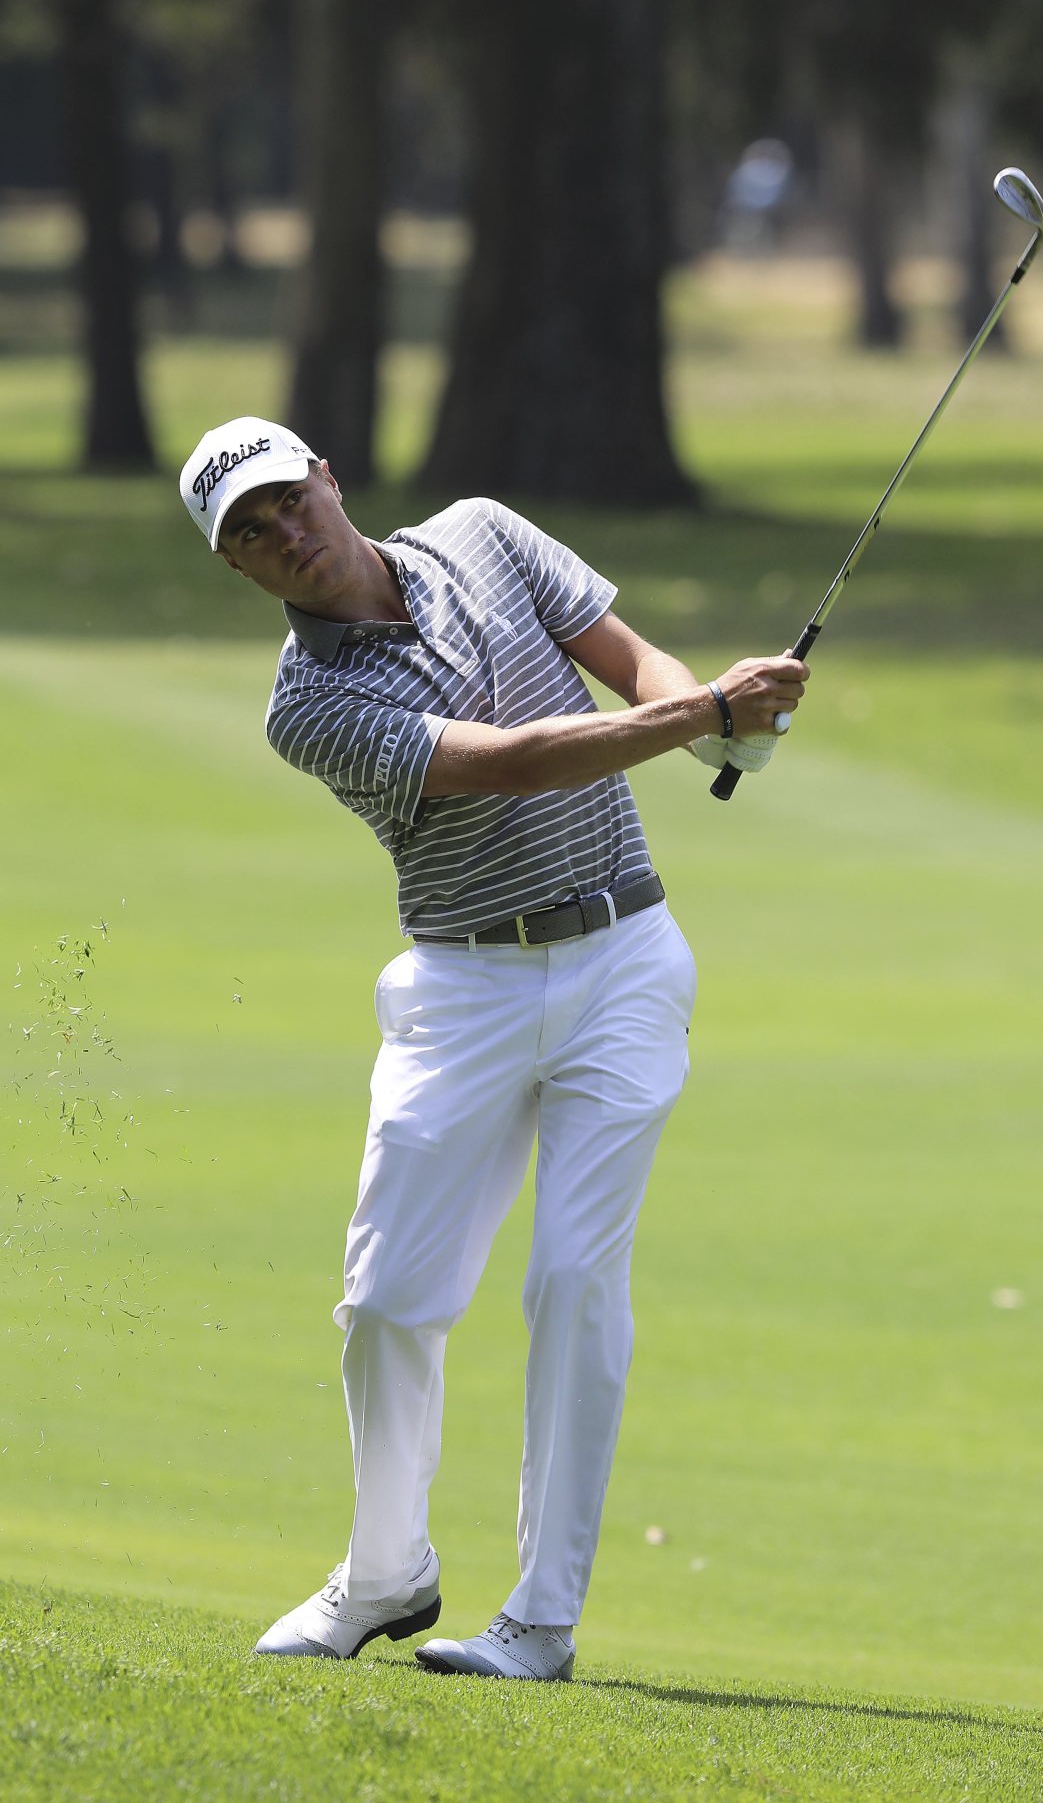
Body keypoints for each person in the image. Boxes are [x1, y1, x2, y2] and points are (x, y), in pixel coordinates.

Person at [178, 416, 808, 1680]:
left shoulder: (482, 532)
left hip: (623, 962)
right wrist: (704, 711)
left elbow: (627, 657)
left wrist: (711, 721)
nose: (284, 531)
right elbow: (515, 765)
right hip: (460, 988)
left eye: (288, 497)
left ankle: (541, 1618)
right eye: (249, 530)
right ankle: (384, 1571)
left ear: (328, 478)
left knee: (573, 1281)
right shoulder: (310, 706)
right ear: (236, 566)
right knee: (386, 1299)